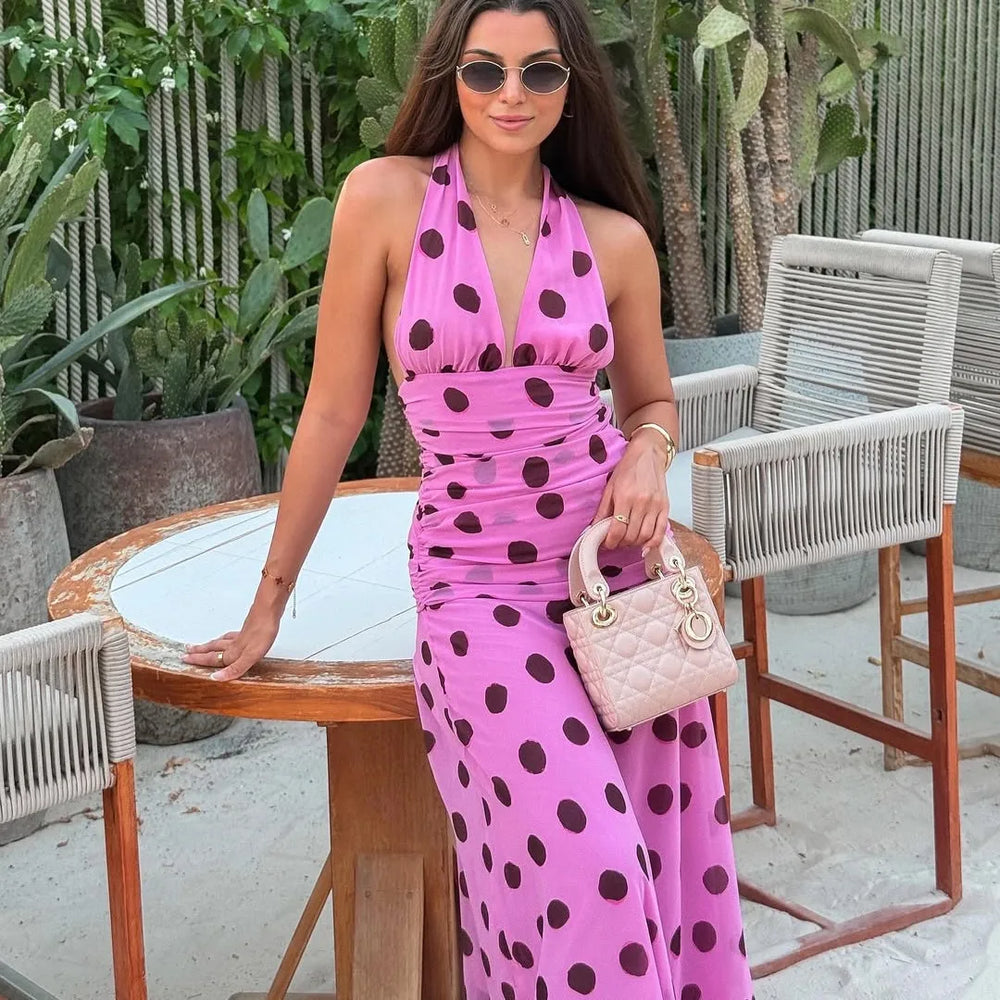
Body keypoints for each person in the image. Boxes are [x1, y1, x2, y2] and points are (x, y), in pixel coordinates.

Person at [184, 0, 753, 995]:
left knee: (642, 861)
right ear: (450, 73)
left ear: (571, 84)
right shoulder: (384, 200)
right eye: (486, 69)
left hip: (613, 577)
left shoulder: (616, 239)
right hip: (475, 587)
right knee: (594, 869)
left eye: (540, 71)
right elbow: (331, 414)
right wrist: (269, 602)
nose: (510, 94)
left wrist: (648, 452)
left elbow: (651, 401)